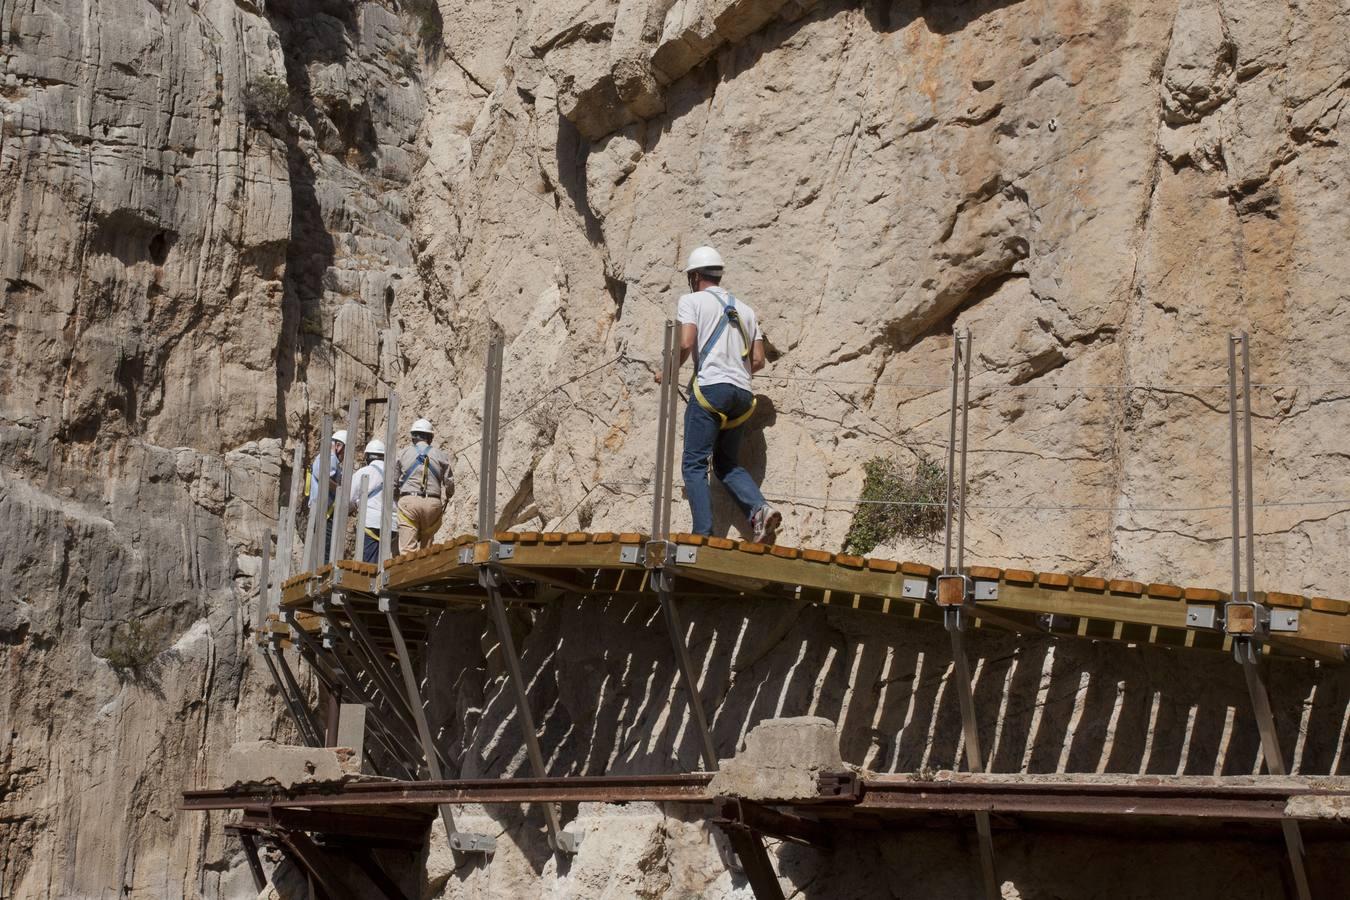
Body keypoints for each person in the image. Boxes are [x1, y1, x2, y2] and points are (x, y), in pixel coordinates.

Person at [660, 245, 780, 543]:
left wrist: (669, 371)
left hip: (711, 391)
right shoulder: (747, 310)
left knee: (694, 463)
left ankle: (702, 533)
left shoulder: (692, 301)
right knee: (726, 464)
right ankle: (759, 510)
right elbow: (758, 360)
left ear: (695, 275)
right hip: (742, 395)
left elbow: (686, 343)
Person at [396, 417, 453, 550]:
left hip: (409, 502)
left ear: (413, 437)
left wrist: (397, 498)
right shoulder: (441, 455)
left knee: (407, 550)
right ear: (430, 438)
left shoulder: (402, 454)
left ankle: (409, 568)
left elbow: (393, 482)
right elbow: (449, 482)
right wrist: (449, 495)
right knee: (426, 550)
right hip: (432, 503)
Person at [307, 429, 347, 564]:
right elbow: (324, 477)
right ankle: (322, 577)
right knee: (326, 547)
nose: (344, 456)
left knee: (319, 546)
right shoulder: (332, 458)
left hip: (319, 509)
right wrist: (340, 490)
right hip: (325, 510)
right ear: (339, 446)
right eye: (345, 451)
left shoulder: (323, 457)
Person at [349, 439, 387, 563]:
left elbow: (349, 498)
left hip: (371, 522)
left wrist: (353, 508)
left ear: (367, 456)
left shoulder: (363, 472)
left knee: (369, 563)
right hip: (392, 524)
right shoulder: (393, 472)